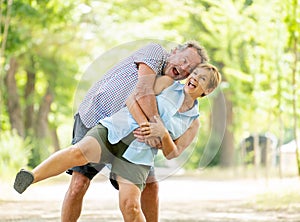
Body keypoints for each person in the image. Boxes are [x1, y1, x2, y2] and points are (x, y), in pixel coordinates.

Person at [14, 63, 221, 221]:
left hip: (139, 155)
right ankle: (31, 176)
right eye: (195, 73)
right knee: (78, 152)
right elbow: (132, 99)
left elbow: (172, 153)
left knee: (130, 207)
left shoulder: (193, 122)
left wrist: (163, 133)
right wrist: (149, 122)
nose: (194, 78)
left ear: (207, 91)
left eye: (202, 79)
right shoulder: (166, 84)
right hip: (116, 128)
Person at [62, 41, 208, 222]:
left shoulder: (172, 90)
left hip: (131, 134)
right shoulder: (155, 52)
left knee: (151, 186)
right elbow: (142, 91)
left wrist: (162, 134)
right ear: (175, 51)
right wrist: (155, 128)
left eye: (190, 68)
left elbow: (171, 142)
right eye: (184, 60)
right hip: (96, 118)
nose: (184, 68)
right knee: (79, 183)